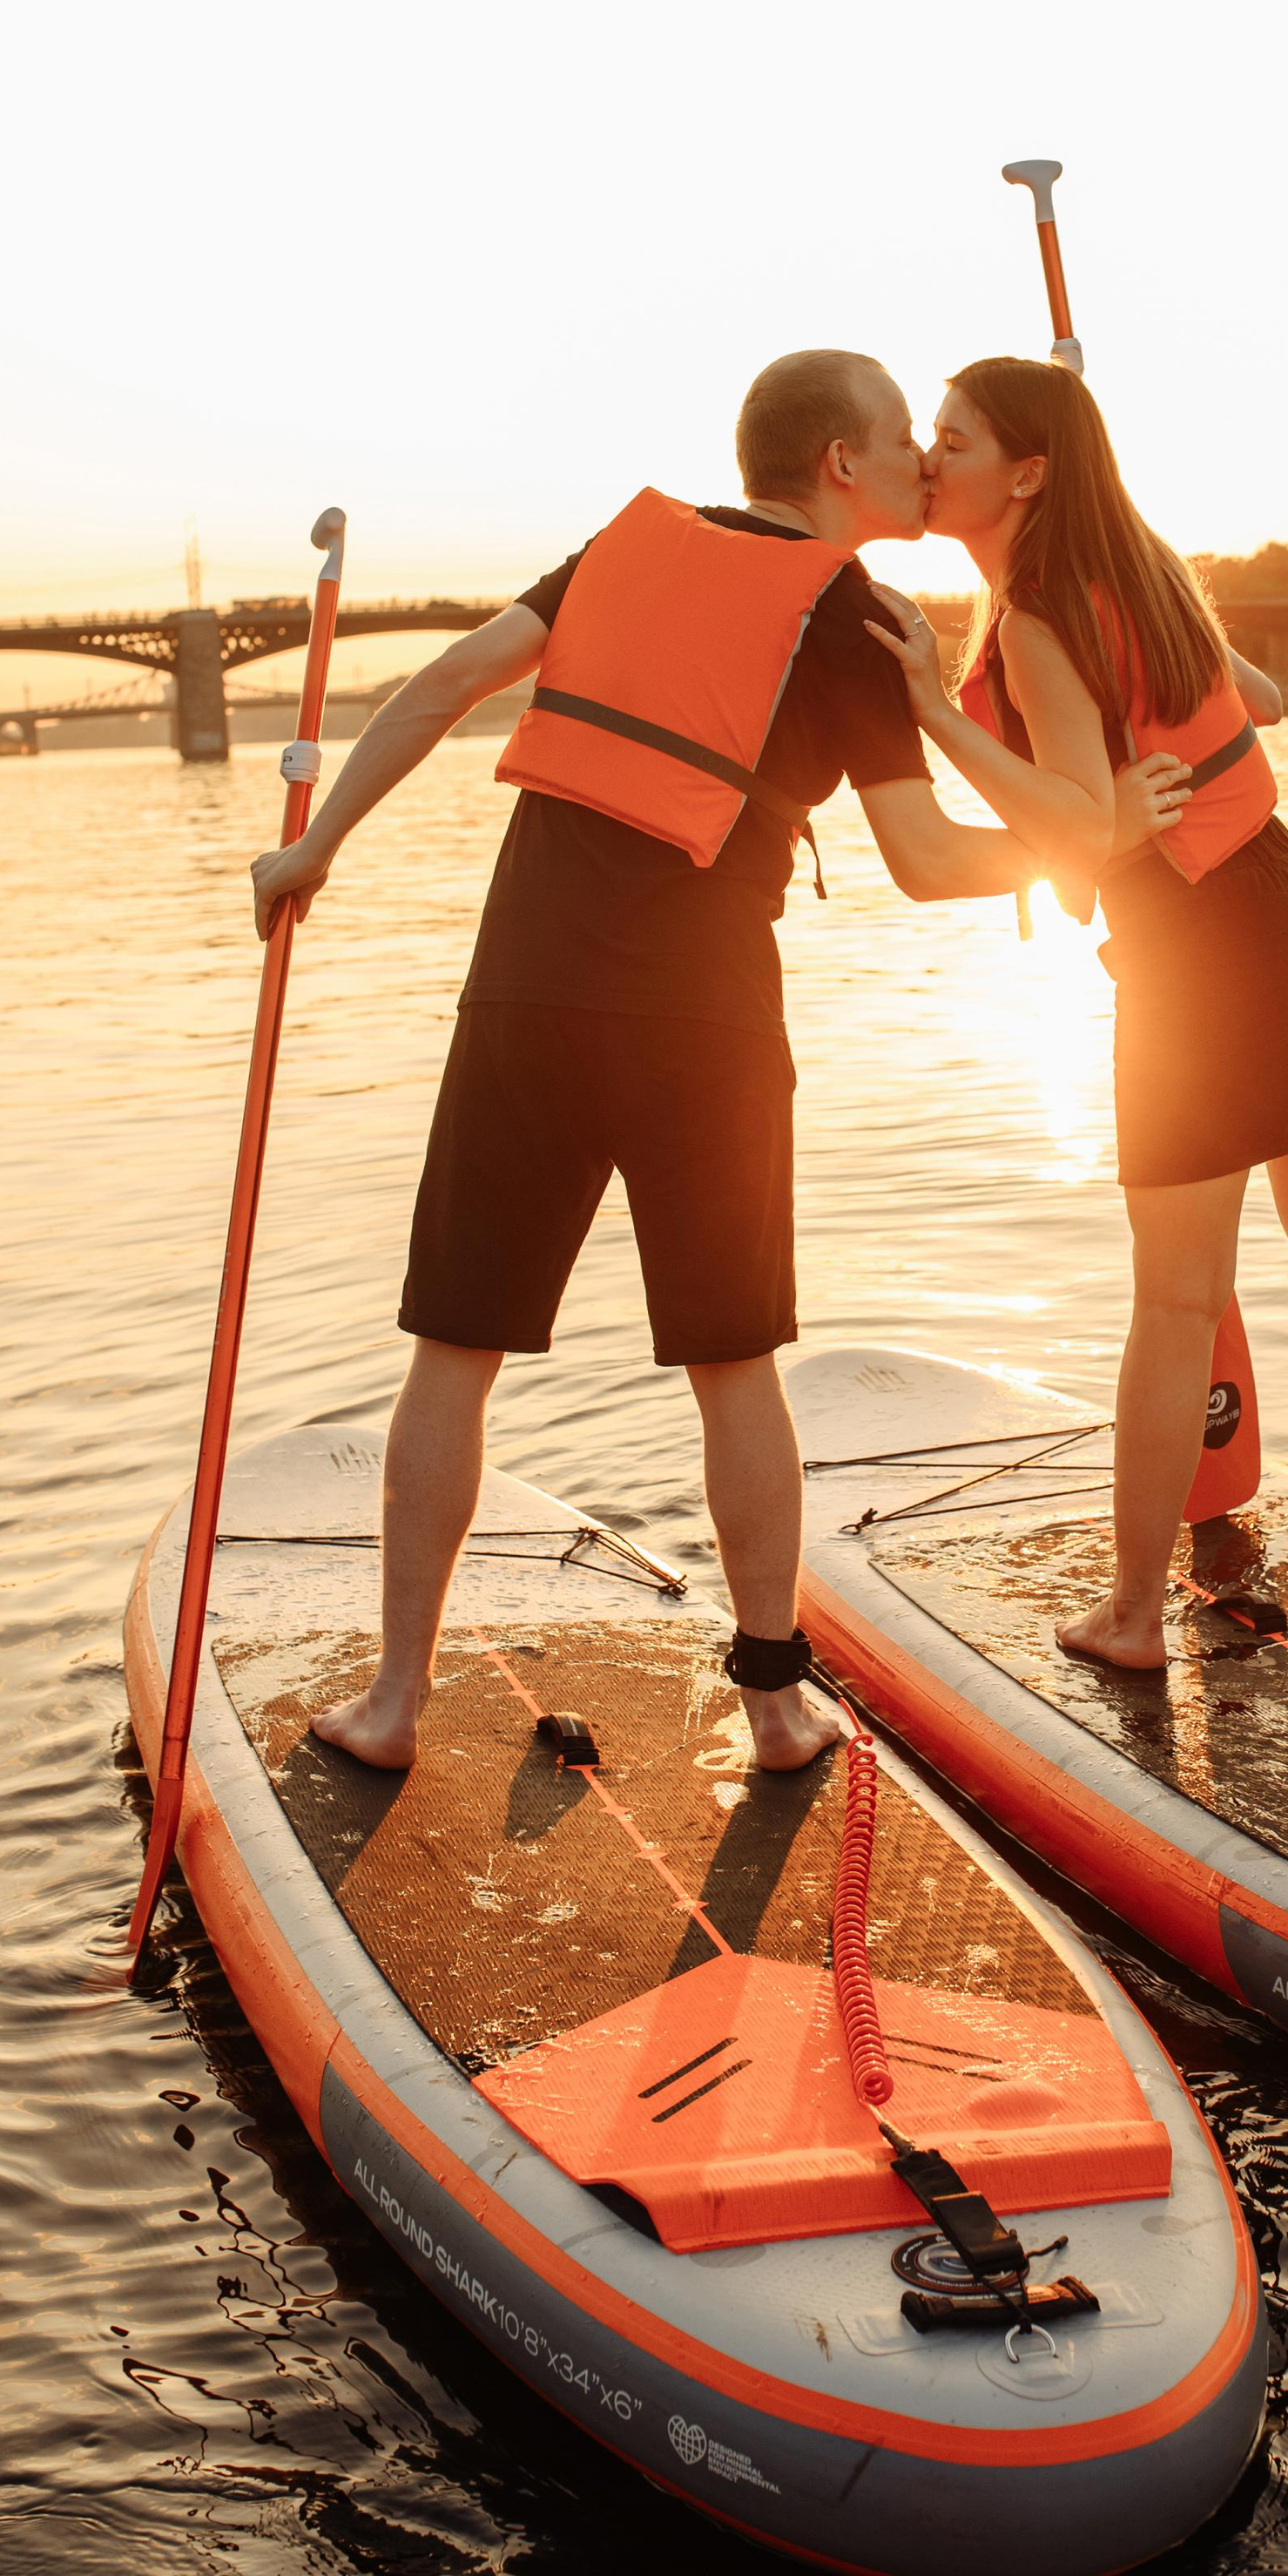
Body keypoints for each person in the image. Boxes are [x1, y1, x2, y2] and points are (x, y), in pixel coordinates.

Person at [249, 351, 1050, 1775]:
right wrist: (1080, 846)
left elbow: (448, 683)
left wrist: (318, 845)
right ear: (840, 464)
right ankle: (775, 1708)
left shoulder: (619, 552)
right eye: (899, 440)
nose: (922, 465)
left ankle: (394, 1704)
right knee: (736, 1370)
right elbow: (928, 863)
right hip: (706, 1026)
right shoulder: (860, 618)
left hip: (531, 994)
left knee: (454, 1356)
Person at [866, 355, 1288, 1664]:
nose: (930, 457)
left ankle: (1128, 1616)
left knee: (1175, 1304)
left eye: (954, 438)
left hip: (1208, 958)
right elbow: (1259, 703)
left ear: (1028, 473)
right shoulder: (1147, 570)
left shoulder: (1037, 620)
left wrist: (936, 709)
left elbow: (1075, 823)